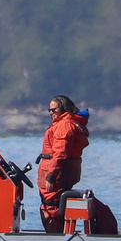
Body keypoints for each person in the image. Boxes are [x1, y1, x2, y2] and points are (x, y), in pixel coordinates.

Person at [37, 95, 90, 233]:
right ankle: (58, 235)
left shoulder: (64, 125)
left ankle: (55, 240)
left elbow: (60, 154)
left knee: (51, 207)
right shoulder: (66, 123)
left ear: (63, 108)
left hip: (57, 175)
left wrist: (51, 176)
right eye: (49, 110)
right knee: (52, 205)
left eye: (54, 109)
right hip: (61, 172)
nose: (51, 112)